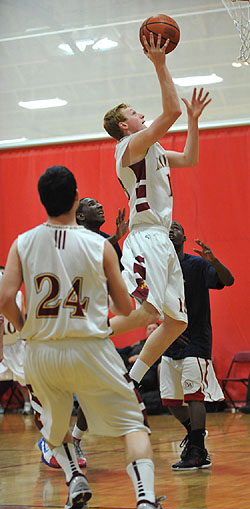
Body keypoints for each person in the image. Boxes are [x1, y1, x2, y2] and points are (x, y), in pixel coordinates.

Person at [0, 165, 178, 509]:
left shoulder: (22, 243)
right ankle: (145, 503)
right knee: (135, 426)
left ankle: (74, 480)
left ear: (42, 200)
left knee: (54, 425)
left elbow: (5, 297)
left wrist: (26, 328)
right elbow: (126, 309)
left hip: (40, 352)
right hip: (90, 348)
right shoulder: (99, 245)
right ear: (76, 197)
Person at [103, 32, 211, 388]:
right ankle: (86, 332)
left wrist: (193, 120)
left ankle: (131, 380)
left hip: (162, 241)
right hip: (146, 236)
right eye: (134, 113)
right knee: (148, 312)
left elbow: (191, 158)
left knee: (177, 322)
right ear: (123, 126)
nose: (141, 114)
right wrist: (159, 63)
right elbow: (171, 110)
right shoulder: (128, 147)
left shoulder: (155, 149)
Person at [38, 197, 129, 469]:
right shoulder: (67, 238)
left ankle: (73, 439)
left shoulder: (109, 245)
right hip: (61, 327)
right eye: (91, 204)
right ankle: (51, 439)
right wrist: (115, 238)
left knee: (96, 392)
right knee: (61, 395)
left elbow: (117, 289)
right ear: (79, 216)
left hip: (91, 328)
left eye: (101, 202)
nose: (100, 206)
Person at [160, 221, 234, 470]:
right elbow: (148, 301)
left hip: (196, 340)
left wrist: (213, 260)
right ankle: (195, 438)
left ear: (184, 237)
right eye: (166, 227)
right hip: (170, 338)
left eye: (176, 227)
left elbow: (228, 280)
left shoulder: (198, 265)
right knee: (169, 400)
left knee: (194, 395)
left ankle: (197, 451)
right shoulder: (158, 267)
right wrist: (167, 327)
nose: (171, 229)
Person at [0, 266, 32, 415]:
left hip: (15, 342)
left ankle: (28, 405)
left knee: (25, 378)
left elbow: (23, 316)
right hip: (2, 344)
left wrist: (26, 338)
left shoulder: (18, 295)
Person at [117, 323, 167, 415]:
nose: (152, 330)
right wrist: (130, 359)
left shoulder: (163, 346)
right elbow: (117, 354)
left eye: (154, 329)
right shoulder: (136, 345)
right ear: (146, 332)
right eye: (149, 329)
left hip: (148, 378)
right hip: (129, 378)